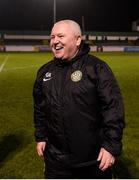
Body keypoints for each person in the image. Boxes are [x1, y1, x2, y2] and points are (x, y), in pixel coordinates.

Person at [33, 19, 125, 179]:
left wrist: (110, 146)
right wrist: (41, 136)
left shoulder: (96, 68)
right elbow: (40, 108)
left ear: (77, 40)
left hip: (93, 160)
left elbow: (113, 108)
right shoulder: (44, 72)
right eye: (52, 37)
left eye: (60, 36)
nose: (55, 41)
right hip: (56, 162)